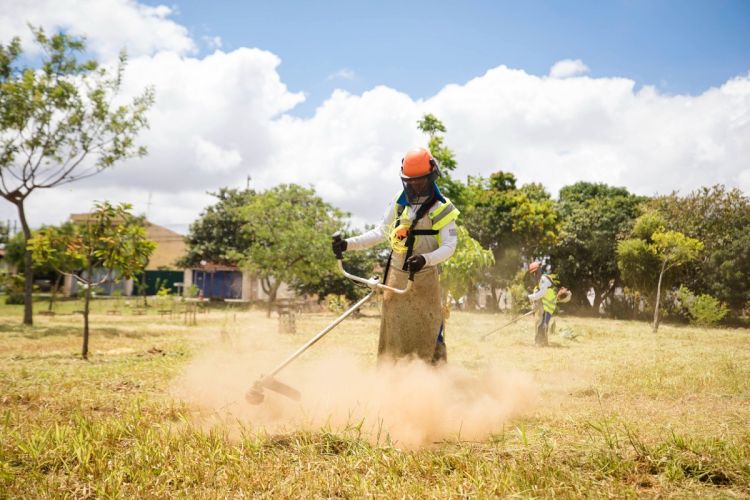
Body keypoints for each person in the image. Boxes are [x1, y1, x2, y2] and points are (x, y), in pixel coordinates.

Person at [331, 148, 460, 364]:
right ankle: (391, 383)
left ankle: (435, 385)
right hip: (396, 280)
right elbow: (380, 232)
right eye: (410, 181)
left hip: (425, 280)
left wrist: (424, 259)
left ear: (431, 176)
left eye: (420, 180)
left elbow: (450, 245)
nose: (415, 185)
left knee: (429, 333)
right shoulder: (400, 203)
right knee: (394, 335)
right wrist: (347, 245)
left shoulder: (441, 207)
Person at [527, 261, 570, 346]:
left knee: (543, 325)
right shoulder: (539, 281)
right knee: (542, 325)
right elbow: (538, 292)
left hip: (548, 307)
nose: (535, 274)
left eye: (536, 272)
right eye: (533, 273)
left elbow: (542, 293)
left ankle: (540, 344)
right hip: (545, 306)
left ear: (540, 270)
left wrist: (530, 297)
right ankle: (542, 343)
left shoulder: (544, 280)